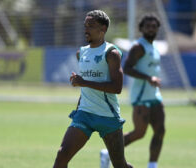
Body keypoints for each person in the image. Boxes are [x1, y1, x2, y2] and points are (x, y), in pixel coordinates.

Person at [53, 10, 132, 168]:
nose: (86, 29)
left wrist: (84, 82)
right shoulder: (81, 53)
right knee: (62, 154)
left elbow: (117, 88)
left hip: (107, 116)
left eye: (91, 26)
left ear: (102, 29)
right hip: (84, 114)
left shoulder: (112, 53)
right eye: (85, 25)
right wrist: (78, 83)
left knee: (120, 165)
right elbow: (84, 84)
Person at [100, 13, 165, 168]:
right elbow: (127, 68)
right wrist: (149, 78)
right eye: (147, 26)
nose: (151, 29)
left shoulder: (154, 47)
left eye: (154, 26)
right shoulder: (138, 47)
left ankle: (152, 165)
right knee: (139, 133)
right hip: (141, 96)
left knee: (160, 130)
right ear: (141, 28)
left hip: (155, 95)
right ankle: (107, 153)